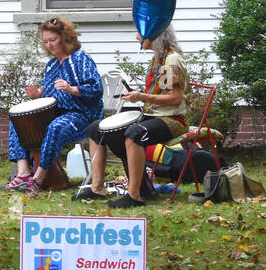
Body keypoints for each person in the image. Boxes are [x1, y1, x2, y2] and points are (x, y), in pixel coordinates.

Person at [76, 25, 188, 209]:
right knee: (96, 128)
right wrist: (139, 95)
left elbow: (175, 99)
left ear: (155, 35)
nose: (137, 37)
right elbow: (161, 93)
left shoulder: (172, 59)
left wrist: (142, 97)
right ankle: (97, 188)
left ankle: (135, 195)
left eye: (140, 33)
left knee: (134, 133)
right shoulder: (157, 60)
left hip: (173, 119)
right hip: (154, 115)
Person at [2, 17, 104, 195]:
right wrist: (38, 96)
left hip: (82, 115)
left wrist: (72, 89)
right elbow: (49, 96)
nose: (49, 45)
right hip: (58, 113)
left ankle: (38, 179)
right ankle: (23, 173)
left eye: (53, 40)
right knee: (18, 120)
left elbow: (96, 89)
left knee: (55, 127)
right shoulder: (51, 65)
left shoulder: (80, 59)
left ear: (65, 38)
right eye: (45, 42)